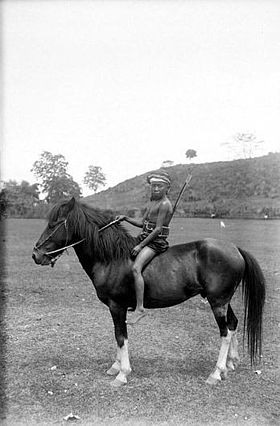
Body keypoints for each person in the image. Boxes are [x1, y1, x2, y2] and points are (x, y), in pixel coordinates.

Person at [116, 171, 173, 325]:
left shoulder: (165, 204)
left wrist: (140, 245)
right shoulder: (152, 203)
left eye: (159, 186)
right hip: (144, 238)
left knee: (136, 268)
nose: (155, 189)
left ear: (166, 188)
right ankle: (130, 298)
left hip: (155, 242)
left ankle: (140, 308)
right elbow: (142, 223)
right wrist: (125, 218)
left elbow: (157, 230)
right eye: (153, 186)